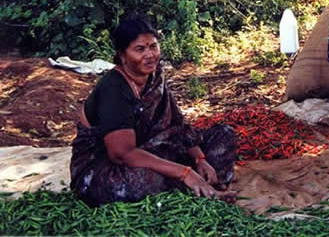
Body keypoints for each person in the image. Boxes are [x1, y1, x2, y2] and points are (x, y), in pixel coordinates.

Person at [70, 16, 237, 206]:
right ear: (122, 56)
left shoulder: (155, 77)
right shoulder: (113, 88)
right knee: (146, 180)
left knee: (223, 135)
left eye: (153, 47)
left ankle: (200, 184)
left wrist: (200, 159)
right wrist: (185, 172)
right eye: (140, 49)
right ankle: (195, 187)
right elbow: (121, 154)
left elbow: (178, 126)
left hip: (149, 150)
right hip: (103, 169)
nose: (150, 55)